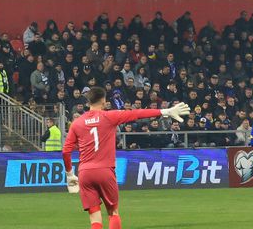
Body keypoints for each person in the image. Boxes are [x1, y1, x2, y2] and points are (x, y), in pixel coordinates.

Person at [61, 85, 190, 229]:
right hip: (105, 171)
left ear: (88, 102)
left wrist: (69, 174)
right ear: (103, 101)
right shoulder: (109, 116)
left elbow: (66, 150)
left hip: (85, 173)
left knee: (94, 216)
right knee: (113, 213)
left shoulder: (77, 123)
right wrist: (165, 111)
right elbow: (137, 113)